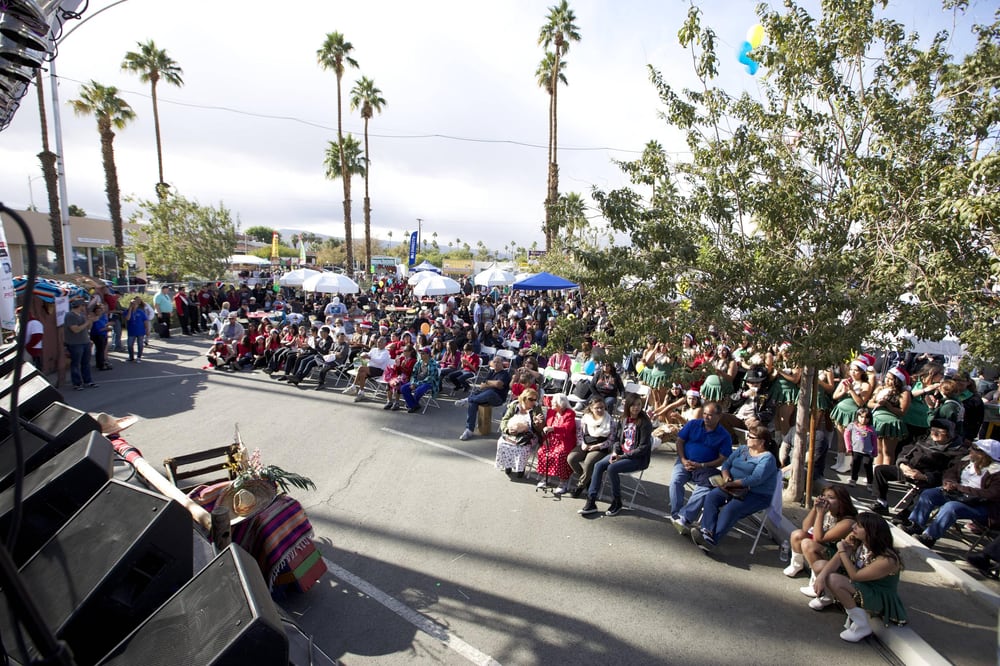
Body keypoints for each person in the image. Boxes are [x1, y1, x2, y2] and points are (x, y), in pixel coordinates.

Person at [806, 512, 907, 642]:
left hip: (878, 594)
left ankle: (861, 625)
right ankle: (829, 598)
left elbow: (855, 576)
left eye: (858, 526)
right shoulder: (858, 540)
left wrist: (842, 550)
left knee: (834, 579)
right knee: (821, 566)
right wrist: (821, 578)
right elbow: (837, 561)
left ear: (871, 531)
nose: (853, 526)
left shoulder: (887, 559)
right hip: (863, 585)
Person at [690, 424, 778, 552]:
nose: (747, 438)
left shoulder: (767, 458)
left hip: (756, 494)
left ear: (761, 442)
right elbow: (726, 463)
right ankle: (706, 531)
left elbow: (755, 479)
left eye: (751, 436)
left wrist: (732, 484)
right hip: (732, 486)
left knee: (730, 509)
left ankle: (712, 540)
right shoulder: (742, 449)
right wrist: (726, 477)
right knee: (712, 497)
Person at [905, 438, 1000, 548]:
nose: (970, 450)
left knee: (951, 507)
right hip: (959, 494)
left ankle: (929, 537)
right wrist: (949, 483)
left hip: (981, 505)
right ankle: (916, 524)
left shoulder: (996, 472)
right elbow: (950, 472)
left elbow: (991, 494)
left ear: (983, 454)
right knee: (929, 494)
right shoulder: (967, 461)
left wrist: (959, 488)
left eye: (974, 449)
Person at [871, 418, 964, 518]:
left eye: (939, 432)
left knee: (925, 491)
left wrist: (924, 476)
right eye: (933, 430)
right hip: (909, 470)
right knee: (880, 470)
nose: (934, 433)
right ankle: (882, 503)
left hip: (929, 479)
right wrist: (903, 464)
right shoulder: (924, 439)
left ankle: (906, 516)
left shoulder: (957, 451)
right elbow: (906, 451)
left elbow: (949, 473)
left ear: (949, 434)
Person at [579, 392, 652, 517]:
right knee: (598, 465)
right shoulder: (623, 420)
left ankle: (617, 501)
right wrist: (615, 452)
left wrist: (621, 457)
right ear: (628, 406)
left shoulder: (644, 423)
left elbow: (643, 448)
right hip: (621, 454)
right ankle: (591, 501)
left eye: (639, 405)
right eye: (633, 405)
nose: (636, 408)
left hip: (637, 458)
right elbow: (618, 440)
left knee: (612, 468)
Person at [669, 402, 733, 527]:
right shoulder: (693, 424)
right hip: (685, 462)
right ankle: (676, 513)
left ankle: (685, 516)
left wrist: (703, 465)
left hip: (705, 468)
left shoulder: (724, 436)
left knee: (705, 489)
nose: (706, 417)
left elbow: (722, 458)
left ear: (719, 417)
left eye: (710, 415)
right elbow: (679, 441)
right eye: (704, 414)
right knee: (675, 481)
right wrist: (683, 460)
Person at [783, 485, 859, 579]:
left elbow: (820, 538)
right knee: (797, 534)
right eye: (824, 496)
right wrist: (815, 509)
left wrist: (820, 514)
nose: (825, 500)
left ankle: (816, 579)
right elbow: (805, 528)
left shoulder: (848, 522)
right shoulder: (828, 512)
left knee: (808, 544)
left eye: (831, 498)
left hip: (839, 556)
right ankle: (796, 565)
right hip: (825, 546)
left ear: (841, 502)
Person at [829, 356, 875, 473]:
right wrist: (844, 391)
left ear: (862, 371)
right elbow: (835, 396)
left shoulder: (865, 385)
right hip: (841, 411)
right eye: (851, 370)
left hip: (852, 413)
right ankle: (839, 460)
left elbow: (861, 402)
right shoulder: (845, 381)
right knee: (839, 437)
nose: (853, 372)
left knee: (848, 439)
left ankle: (847, 463)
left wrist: (851, 390)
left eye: (856, 370)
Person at [566, 398, 615, 498]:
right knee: (571, 458)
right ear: (591, 408)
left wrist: (597, 446)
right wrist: (582, 443)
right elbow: (580, 433)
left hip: (600, 447)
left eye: (602, 407)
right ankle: (588, 479)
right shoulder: (586, 418)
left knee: (589, 462)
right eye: (597, 408)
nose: (600, 410)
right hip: (585, 444)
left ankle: (580, 486)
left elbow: (611, 440)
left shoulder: (610, 421)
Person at [456, 356, 511, 441]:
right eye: (494, 362)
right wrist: (491, 383)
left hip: (497, 398)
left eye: (498, 362)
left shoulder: (505, 374)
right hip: (483, 395)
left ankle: (468, 399)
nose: (496, 364)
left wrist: (488, 382)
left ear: (502, 364)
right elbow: (481, 385)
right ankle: (469, 430)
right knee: (473, 403)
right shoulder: (491, 372)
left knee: (490, 392)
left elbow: (498, 384)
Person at [495, 389, 545, 479]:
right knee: (501, 443)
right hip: (512, 431)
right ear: (524, 398)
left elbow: (540, 428)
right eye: (531, 399)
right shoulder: (515, 405)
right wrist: (507, 430)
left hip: (529, 434)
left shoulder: (536, 408)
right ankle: (508, 465)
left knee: (523, 447)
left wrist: (537, 423)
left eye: (535, 399)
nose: (533, 402)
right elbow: (505, 419)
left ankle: (520, 468)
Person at [869, 366, 912, 467]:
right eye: (887, 377)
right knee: (878, 450)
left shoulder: (904, 393)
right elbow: (869, 403)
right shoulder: (880, 388)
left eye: (891, 379)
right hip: (877, 421)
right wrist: (877, 404)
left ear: (897, 380)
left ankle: (884, 473)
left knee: (887, 451)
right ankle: (875, 471)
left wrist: (888, 405)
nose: (887, 380)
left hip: (891, 424)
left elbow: (902, 412)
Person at [538, 394, 578, 493]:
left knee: (560, 455)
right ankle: (546, 477)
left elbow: (567, 428)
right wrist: (539, 422)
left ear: (561, 404)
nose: (552, 403)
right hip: (551, 439)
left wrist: (553, 429)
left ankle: (563, 482)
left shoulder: (570, 413)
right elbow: (546, 424)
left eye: (554, 402)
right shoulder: (552, 411)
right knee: (542, 452)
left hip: (564, 440)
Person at [64, 299, 98, 390]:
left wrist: (90, 321)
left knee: (86, 363)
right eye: (83, 305)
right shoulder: (70, 316)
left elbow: (87, 328)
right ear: (79, 306)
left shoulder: (82, 315)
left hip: (85, 341)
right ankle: (77, 383)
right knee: (76, 363)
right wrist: (87, 322)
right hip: (75, 343)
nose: (84, 307)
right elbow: (75, 330)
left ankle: (88, 381)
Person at [347, 336, 391, 402]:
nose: (379, 343)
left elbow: (380, 361)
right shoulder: (374, 349)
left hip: (379, 370)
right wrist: (363, 354)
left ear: (385, 344)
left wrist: (370, 358)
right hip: (370, 369)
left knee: (361, 368)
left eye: (381, 342)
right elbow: (366, 354)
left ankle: (353, 386)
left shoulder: (386, 352)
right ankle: (361, 393)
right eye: (378, 342)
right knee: (362, 374)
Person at [845, 407, 877, 489]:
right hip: (856, 449)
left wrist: (875, 450)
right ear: (857, 416)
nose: (864, 419)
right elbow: (846, 435)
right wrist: (848, 447)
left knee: (868, 466)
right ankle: (853, 479)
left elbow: (874, 440)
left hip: (867, 451)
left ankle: (870, 483)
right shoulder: (852, 426)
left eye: (866, 417)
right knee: (855, 464)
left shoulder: (871, 428)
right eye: (861, 417)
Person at [400, 347, 441, 413]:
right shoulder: (419, 363)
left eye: (423, 354)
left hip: (429, 383)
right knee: (403, 388)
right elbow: (413, 375)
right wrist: (413, 383)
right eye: (420, 354)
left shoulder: (433, 364)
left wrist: (416, 384)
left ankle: (413, 405)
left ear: (428, 354)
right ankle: (414, 405)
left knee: (418, 390)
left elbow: (429, 378)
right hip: (418, 381)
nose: (421, 355)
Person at [383, 345, 417, 411]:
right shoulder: (402, 359)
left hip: (408, 378)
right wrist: (397, 365)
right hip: (400, 376)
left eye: (405, 351)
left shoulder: (413, 361)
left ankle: (397, 403)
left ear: (410, 352)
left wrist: (402, 366)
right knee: (389, 383)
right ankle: (389, 401)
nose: (403, 352)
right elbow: (397, 372)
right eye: (403, 351)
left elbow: (409, 373)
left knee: (398, 384)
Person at [123, 296, 148, 362]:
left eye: (135, 304)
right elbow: (127, 318)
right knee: (130, 345)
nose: (133, 305)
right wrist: (130, 309)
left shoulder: (141, 312)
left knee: (140, 345)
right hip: (131, 331)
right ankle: (131, 357)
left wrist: (147, 330)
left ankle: (139, 357)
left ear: (137, 305)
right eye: (132, 304)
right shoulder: (127, 311)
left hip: (140, 331)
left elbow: (145, 321)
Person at [89, 302, 112, 372]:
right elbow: (97, 329)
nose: (100, 311)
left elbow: (105, 324)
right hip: (97, 335)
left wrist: (108, 325)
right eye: (98, 310)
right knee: (100, 350)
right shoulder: (95, 318)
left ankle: (100, 363)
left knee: (101, 349)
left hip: (104, 334)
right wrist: (106, 329)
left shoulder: (104, 316)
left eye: (102, 309)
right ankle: (101, 365)